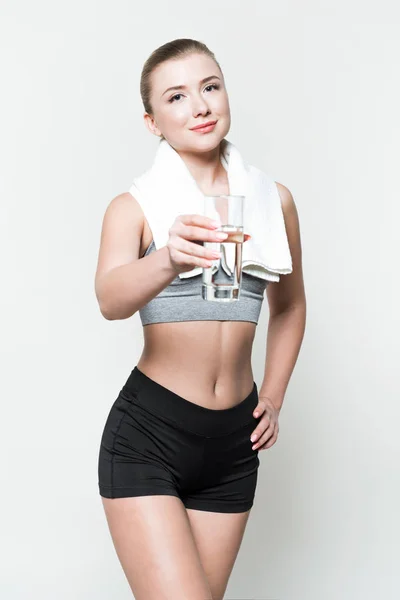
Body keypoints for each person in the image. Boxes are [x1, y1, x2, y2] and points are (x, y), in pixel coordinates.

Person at [95, 38, 306, 600]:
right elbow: (110, 299)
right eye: (178, 96)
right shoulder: (134, 207)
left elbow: (290, 306)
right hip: (150, 436)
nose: (201, 106)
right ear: (153, 122)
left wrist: (277, 395)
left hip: (234, 444)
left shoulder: (271, 200)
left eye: (210, 87)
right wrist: (167, 256)